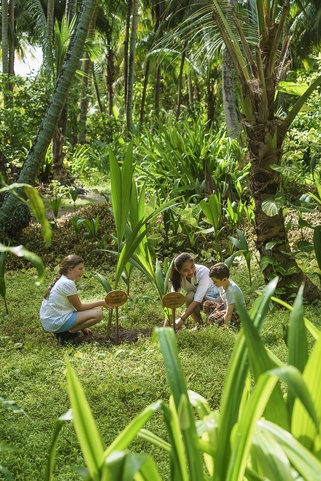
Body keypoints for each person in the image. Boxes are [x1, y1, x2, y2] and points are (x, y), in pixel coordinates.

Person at [40, 254, 112, 345]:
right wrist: (101, 302)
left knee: (93, 310)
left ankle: (66, 332)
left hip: (50, 320)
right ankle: (66, 334)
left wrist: (83, 328)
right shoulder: (67, 283)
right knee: (98, 313)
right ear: (70, 269)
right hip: (55, 322)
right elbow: (80, 308)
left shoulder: (62, 280)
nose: (82, 272)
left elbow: (73, 307)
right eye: (80, 269)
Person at [165, 252, 220, 331]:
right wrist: (167, 324)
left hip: (215, 302)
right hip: (201, 302)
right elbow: (172, 300)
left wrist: (181, 319)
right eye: (185, 270)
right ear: (179, 271)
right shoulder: (178, 278)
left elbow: (198, 299)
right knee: (189, 296)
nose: (190, 272)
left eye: (192, 267)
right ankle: (199, 325)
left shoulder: (203, 272)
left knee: (217, 323)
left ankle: (214, 324)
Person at [203, 262, 246, 327]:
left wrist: (226, 328)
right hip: (226, 306)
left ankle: (220, 323)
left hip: (235, 313)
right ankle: (216, 318)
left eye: (215, 281)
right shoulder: (222, 285)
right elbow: (221, 300)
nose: (213, 283)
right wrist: (218, 310)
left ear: (224, 279)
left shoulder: (231, 291)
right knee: (207, 304)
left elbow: (229, 313)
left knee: (211, 319)